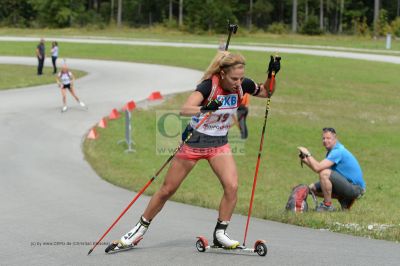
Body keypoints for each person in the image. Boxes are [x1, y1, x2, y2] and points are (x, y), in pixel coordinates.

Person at [108, 52, 281, 252]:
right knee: (167, 190)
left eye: (241, 78)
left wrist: (272, 75)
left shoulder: (243, 85)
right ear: (223, 73)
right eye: (234, 78)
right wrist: (206, 107)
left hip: (219, 143)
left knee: (232, 186)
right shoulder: (208, 86)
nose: (238, 83)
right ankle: (138, 230)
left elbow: (267, 92)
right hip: (195, 141)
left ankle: (220, 234)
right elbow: (185, 109)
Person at [298, 127, 366, 212]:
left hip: (356, 189)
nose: (325, 140)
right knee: (311, 188)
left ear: (335, 138)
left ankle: (327, 206)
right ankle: (344, 199)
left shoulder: (338, 151)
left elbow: (319, 169)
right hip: (346, 184)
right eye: (323, 138)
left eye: (328, 138)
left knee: (325, 173)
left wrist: (307, 153)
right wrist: (305, 160)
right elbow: (319, 168)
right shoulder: (332, 152)